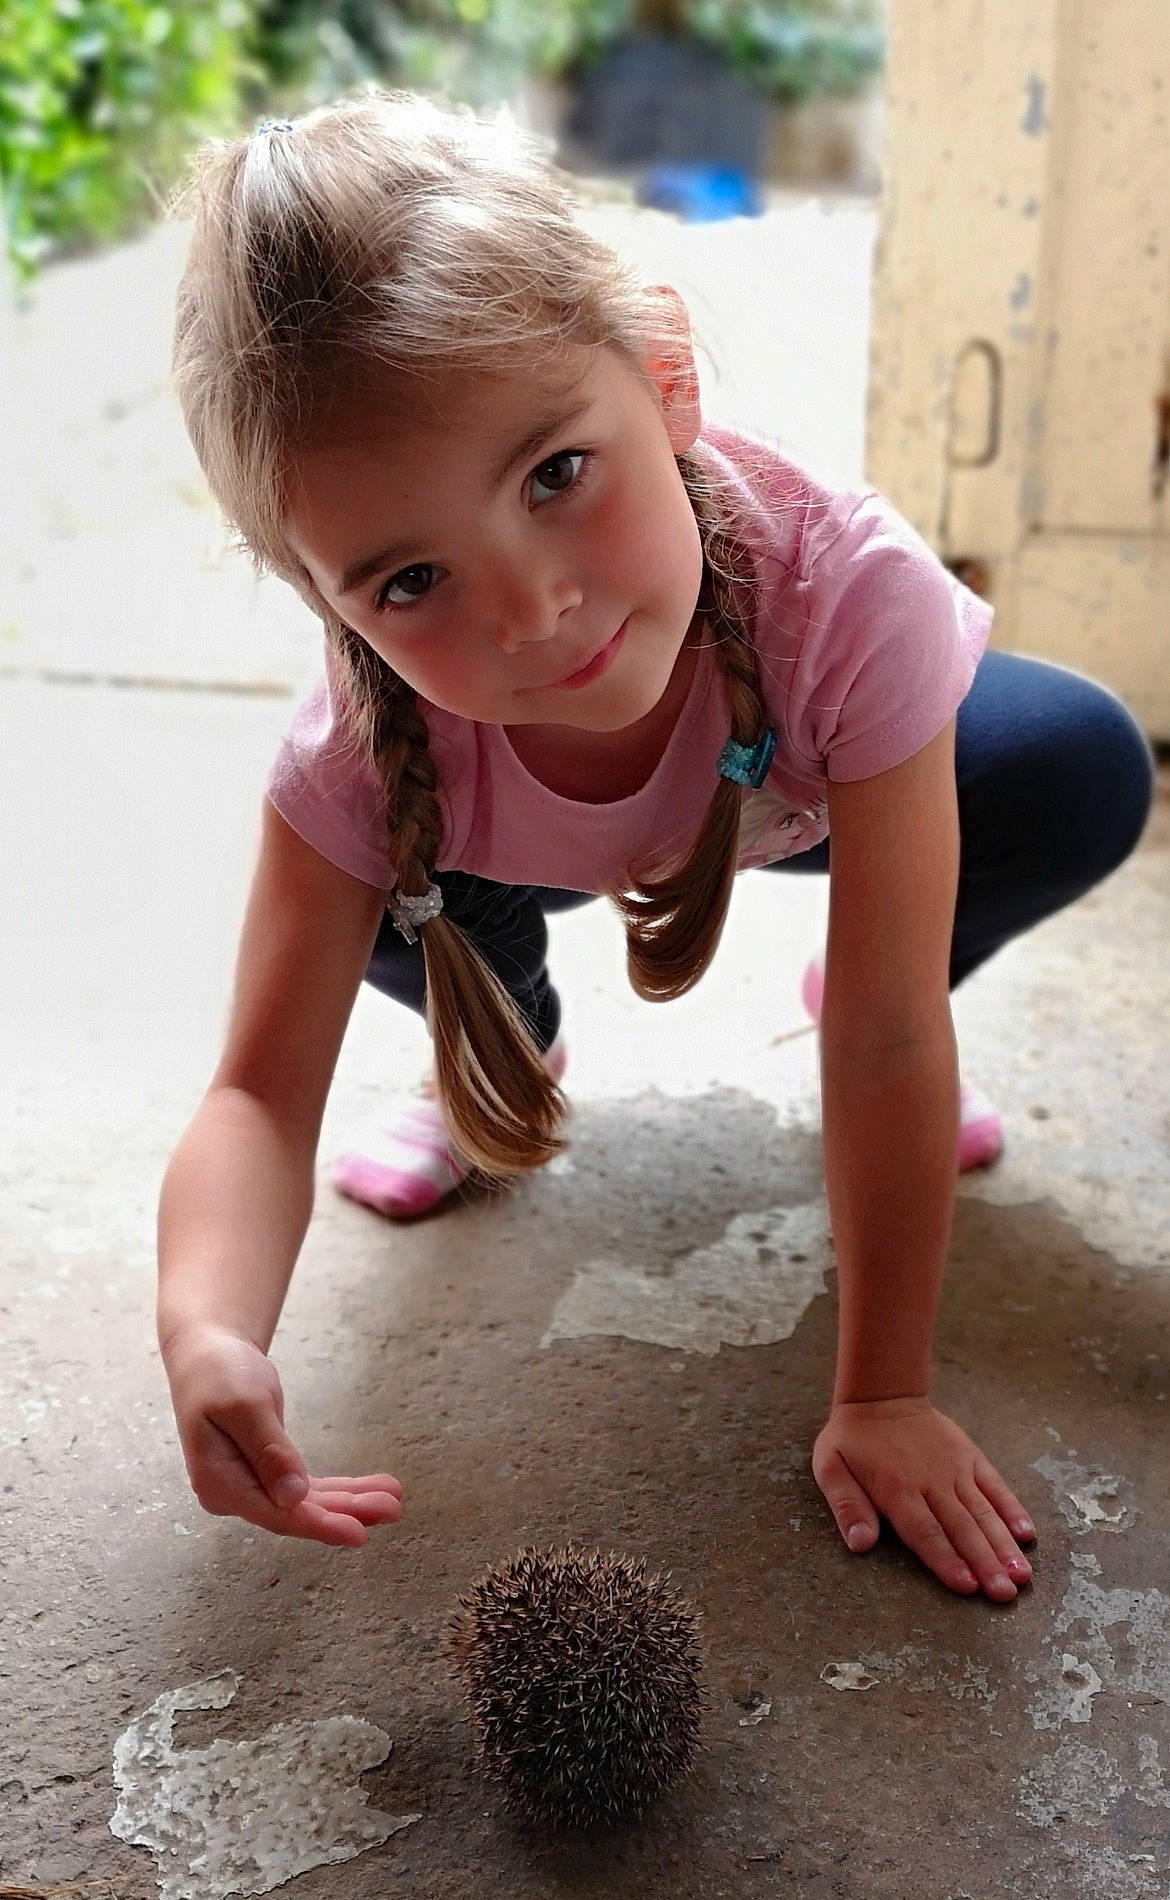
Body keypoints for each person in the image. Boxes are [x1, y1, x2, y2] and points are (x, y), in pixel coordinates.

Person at [157, 91, 1154, 1602]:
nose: (530, 610)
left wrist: (879, 1391)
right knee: (357, 895)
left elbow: (887, 1045)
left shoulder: (850, 595)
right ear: (322, 599)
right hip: (486, 841)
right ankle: (502, 1040)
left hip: (796, 776)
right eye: (410, 576)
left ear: (665, 373)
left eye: (556, 474)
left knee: (1077, 765)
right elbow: (253, 1095)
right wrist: (207, 1328)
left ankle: (900, 920)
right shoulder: (360, 756)